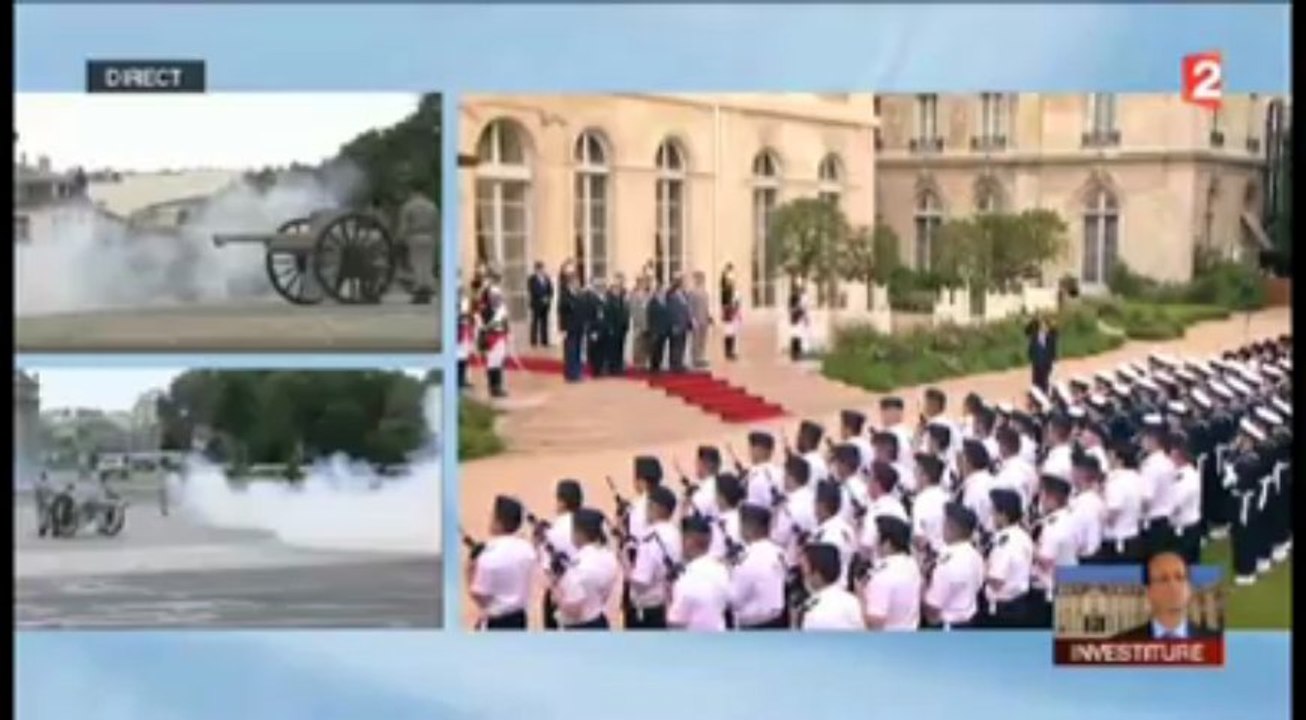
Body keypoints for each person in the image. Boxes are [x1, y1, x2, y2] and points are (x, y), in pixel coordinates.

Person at [1111, 551, 1219, 639]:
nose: (1173, 586)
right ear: (1149, 592)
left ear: (1189, 588)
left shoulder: (1218, 641)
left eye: (1180, 577)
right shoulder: (1122, 643)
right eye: (1163, 579)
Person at [466, 495, 535, 630]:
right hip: (520, 618)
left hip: (496, 622)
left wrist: (469, 570)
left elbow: (479, 596)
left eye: (492, 516)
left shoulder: (488, 558)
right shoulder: (527, 549)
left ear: (498, 522)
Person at [551, 507, 620, 630]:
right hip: (599, 620)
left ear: (579, 533)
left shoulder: (577, 566)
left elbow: (573, 611)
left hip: (578, 629)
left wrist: (556, 591)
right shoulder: (609, 556)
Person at [626, 485, 681, 629]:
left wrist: (625, 564)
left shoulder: (650, 539)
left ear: (656, 507)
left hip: (647, 610)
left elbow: (641, 582)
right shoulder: (675, 533)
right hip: (666, 604)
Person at [922, 503, 985, 630]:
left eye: (944, 524)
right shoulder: (975, 555)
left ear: (952, 528)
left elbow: (933, 606)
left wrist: (923, 588)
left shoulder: (948, 563)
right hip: (969, 621)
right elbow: (978, 585)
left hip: (948, 626)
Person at [728, 503, 789, 629]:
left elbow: (735, 599)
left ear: (749, 528)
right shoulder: (779, 552)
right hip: (780, 620)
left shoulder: (748, 558)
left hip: (755, 625)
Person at [667, 514, 730, 631]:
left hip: (692, 644)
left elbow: (675, 624)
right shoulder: (722, 570)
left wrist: (668, 596)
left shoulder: (686, 579)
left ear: (688, 542)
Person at [861, 515, 922, 630]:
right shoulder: (911, 564)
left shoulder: (883, 576)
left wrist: (860, 595)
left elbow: (875, 624)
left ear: (887, 543)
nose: (874, 542)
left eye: (877, 538)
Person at [983, 488, 1034, 628]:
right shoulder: (1023, 535)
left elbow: (997, 580)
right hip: (1020, 604)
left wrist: (981, 569)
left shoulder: (1005, 542)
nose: (991, 516)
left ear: (1003, 515)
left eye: (993, 512)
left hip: (1004, 611)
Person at [539, 479, 583, 631]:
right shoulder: (588, 524)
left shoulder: (554, 530)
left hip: (562, 592)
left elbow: (547, 569)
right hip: (587, 588)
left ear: (562, 502)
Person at [797, 543, 865, 630]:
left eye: (803, 568)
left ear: (817, 573)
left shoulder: (817, 611)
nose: (803, 575)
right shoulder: (851, 600)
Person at [397, 181, 438, 304]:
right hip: (429, 236)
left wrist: (400, 238)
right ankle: (427, 290)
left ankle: (420, 291)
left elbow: (404, 225)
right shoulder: (432, 206)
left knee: (417, 264)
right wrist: (436, 238)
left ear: (414, 192)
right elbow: (436, 223)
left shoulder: (409, 206)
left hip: (415, 236)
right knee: (427, 265)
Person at [479, 282, 510, 398]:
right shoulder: (485, 310)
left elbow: (505, 323)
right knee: (492, 363)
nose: (497, 298)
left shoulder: (501, 309)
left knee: (499, 362)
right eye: (494, 296)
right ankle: (493, 387)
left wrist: (507, 331)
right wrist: (498, 319)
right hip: (491, 338)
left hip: (500, 337)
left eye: (498, 296)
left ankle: (498, 386)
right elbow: (486, 325)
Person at [559, 270, 585, 382]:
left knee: (578, 350)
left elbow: (581, 309)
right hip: (569, 328)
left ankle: (577, 372)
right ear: (570, 282)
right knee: (570, 351)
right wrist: (562, 328)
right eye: (575, 281)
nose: (578, 283)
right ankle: (570, 374)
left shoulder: (579, 294)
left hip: (578, 326)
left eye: (578, 281)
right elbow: (561, 311)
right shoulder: (564, 294)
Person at [603, 274, 631, 376]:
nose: (620, 285)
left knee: (620, 347)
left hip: (622, 326)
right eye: (619, 283)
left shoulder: (623, 295)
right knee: (612, 349)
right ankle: (613, 368)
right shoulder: (609, 297)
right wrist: (609, 327)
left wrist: (626, 324)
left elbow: (626, 311)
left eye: (622, 283)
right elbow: (607, 314)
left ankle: (619, 366)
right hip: (613, 327)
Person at [1026, 313, 1058, 393]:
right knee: (1036, 383)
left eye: (1045, 325)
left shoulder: (1050, 336)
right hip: (1037, 363)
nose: (1043, 327)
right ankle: (1037, 395)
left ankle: (1045, 394)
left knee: (1045, 382)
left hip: (1047, 363)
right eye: (1041, 325)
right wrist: (1034, 320)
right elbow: (1026, 331)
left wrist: (1050, 323)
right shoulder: (1034, 335)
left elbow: (1055, 331)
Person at [687, 271, 713, 369]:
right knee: (696, 341)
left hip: (704, 319)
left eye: (702, 278)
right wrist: (692, 319)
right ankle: (695, 359)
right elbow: (689, 307)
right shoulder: (692, 292)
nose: (701, 280)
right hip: (696, 320)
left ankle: (701, 357)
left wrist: (709, 316)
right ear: (696, 280)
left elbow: (706, 306)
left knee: (703, 339)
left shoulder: (705, 292)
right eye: (699, 278)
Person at [666, 276, 693, 372]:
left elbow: (687, 309)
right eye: (683, 283)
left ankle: (679, 363)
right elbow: (671, 311)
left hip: (684, 324)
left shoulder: (684, 295)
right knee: (675, 345)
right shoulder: (671, 295)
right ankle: (674, 364)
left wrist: (689, 321)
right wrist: (673, 324)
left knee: (682, 344)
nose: (685, 284)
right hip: (676, 324)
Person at [527, 261, 554, 347]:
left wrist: (548, 298)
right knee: (535, 323)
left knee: (544, 323)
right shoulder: (531, 279)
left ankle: (544, 341)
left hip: (545, 304)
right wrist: (542, 298)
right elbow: (533, 290)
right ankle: (533, 342)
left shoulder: (547, 278)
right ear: (536, 269)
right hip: (536, 304)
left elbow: (551, 290)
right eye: (540, 268)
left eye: (543, 268)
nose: (542, 270)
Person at [646, 281, 671, 373]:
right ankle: (653, 367)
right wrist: (652, 329)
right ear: (657, 292)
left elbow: (667, 315)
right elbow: (650, 317)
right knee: (654, 349)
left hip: (663, 329)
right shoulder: (652, 302)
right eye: (661, 291)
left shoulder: (665, 302)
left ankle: (658, 365)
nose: (663, 293)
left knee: (661, 348)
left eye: (663, 291)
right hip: (655, 329)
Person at [629, 274, 651, 369]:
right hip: (638, 323)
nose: (644, 284)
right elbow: (634, 310)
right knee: (638, 343)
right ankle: (637, 362)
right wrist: (637, 323)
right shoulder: (634, 295)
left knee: (646, 344)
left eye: (645, 282)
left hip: (647, 322)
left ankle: (644, 361)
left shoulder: (648, 295)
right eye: (642, 282)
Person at [720, 264, 741, 361]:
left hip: (732, 312)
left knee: (732, 332)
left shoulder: (731, 288)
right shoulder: (725, 289)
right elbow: (726, 302)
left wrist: (736, 305)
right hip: (728, 312)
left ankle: (731, 351)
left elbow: (736, 299)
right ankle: (728, 352)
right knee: (729, 332)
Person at [787, 279, 810, 361]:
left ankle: (798, 353)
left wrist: (806, 318)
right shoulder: (793, 297)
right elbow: (790, 308)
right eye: (798, 288)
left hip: (799, 319)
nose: (799, 290)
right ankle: (794, 354)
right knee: (795, 336)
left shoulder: (801, 297)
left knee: (799, 336)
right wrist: (797, 309)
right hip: (795, 319)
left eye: (800, 289)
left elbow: (804, 309)